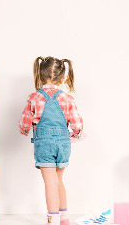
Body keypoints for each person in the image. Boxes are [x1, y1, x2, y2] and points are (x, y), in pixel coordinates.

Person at [19, 57, 84, 225]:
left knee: (50, 183)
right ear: (62, 79)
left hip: (44, 145)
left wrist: (24, 130)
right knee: (58, 181)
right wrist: (76, 135)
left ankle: (53, 220)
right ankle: (64, 219)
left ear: (40, 76)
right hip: (63, 144)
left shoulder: (34, 97)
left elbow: (24, 123)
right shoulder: (67, 98)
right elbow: (77, 124)